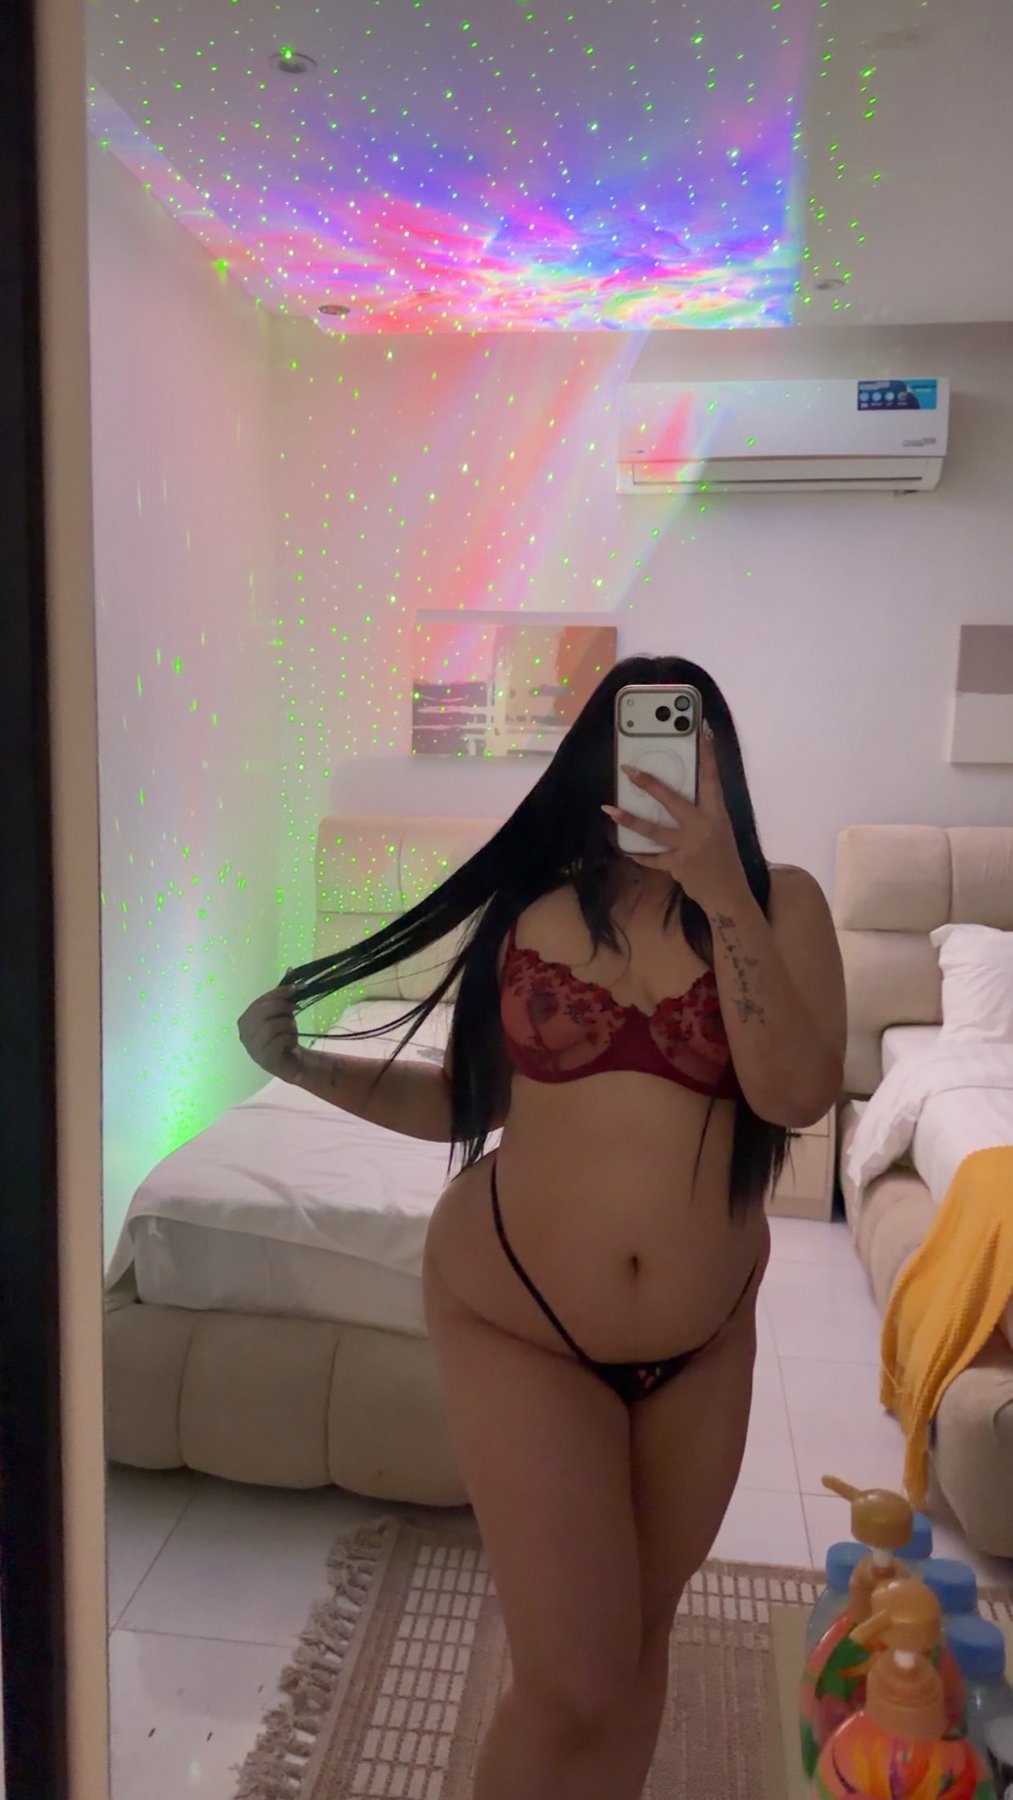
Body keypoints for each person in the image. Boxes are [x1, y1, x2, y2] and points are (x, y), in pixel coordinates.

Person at [237, 654, 847, 1800]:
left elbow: (795, 1095)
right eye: (633, 743)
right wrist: (308, 1067)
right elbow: (465, 1104)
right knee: (572, 1682)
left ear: (719, 767)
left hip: (702, 1342)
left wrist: (720, 891)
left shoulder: (782, 904)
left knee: (634, 1648)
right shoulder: (534, 910)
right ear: (592, 767)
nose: (656, 770)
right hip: (519, 1320)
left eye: (683, 746)